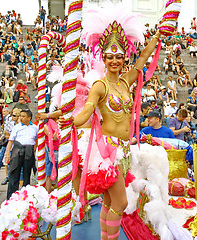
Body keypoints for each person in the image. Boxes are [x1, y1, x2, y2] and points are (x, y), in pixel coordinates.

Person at [41, 8, 162, 239]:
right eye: (110, 56)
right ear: (103, 58)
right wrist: (70, 120)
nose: (115, 60)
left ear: (124, 57)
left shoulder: (126, 83)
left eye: (119, 56)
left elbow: (144, 59)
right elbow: (86, 112)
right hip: (108, 150)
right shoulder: (100, 86)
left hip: (124, 150)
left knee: (108, 201)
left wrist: (157, 37)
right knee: (121, 202)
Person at [5, 109, 38, 199]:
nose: (21, 118)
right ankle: (11, 196)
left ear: (29, 117)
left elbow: (38, 139)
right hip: (17, 151)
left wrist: (35, 146)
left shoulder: (35, 128)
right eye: (20, 116)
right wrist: (7, 154)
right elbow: (10, 141)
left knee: (27, 174)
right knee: (14, 173)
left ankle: (25, 196)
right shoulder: (17, 127)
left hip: (29, 152)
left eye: (23, 116)